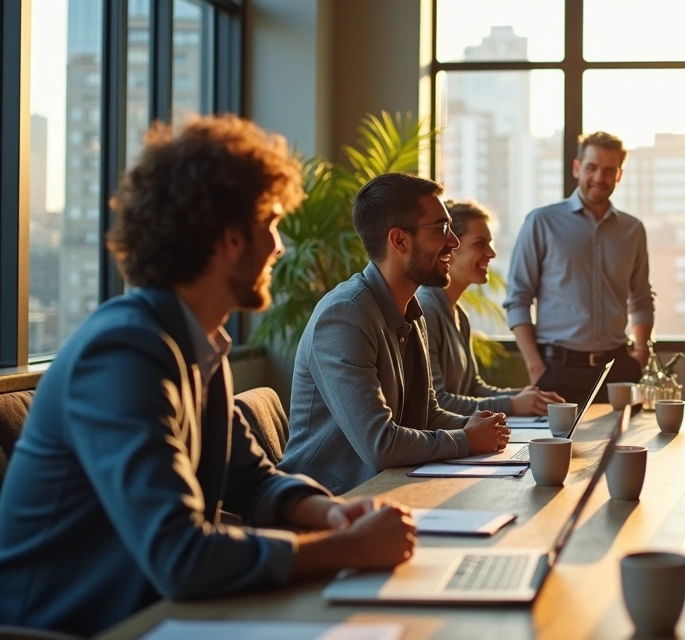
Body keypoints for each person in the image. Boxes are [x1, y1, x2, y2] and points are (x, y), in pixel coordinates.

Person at [0, 116, 418, 636]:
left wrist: (330, 514)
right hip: (81, 628)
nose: (278, 247)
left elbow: (251, 480)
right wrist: (344, 549)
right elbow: (180, 553)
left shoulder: (198, 345)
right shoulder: (124, 352)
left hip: (157, 614)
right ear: (228, 239)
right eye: (269, 223)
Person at [279, 174, 507, 494]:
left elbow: (428, 414)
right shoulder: (344, 316)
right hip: (329, 504)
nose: (453, 242)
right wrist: (466, 439)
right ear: (399, 240)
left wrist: (484, 428)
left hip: (388, 490)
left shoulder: (412, 311)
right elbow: (380, 444)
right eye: (442, 229)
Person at [504, 131, 656, 403]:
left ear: (619, 175)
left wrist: (641, 354)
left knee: (622, 445)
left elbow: (642, 298)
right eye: (592, 167)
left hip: (618, 369)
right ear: (577, 168)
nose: (600, 178)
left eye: (609, 170)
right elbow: (518, 298)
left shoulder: (633, 230)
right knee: (562, 446)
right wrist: (535, 368)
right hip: (557, 371)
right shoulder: (541, 222)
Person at [416, 200, 564, 415]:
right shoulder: (426, 311)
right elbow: (438, 403)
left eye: (490, 243)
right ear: (450, 246)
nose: (491, 253)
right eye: (480, 243)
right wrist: (512, 405)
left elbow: (473, 389)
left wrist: (525, 396)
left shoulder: (459, 314)